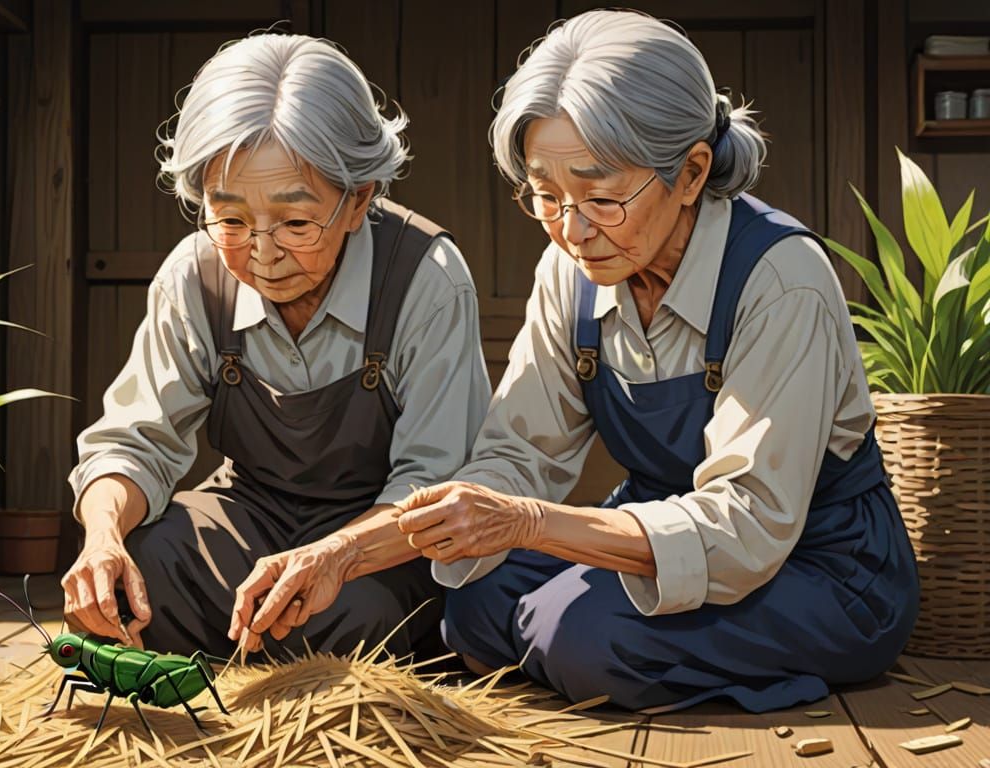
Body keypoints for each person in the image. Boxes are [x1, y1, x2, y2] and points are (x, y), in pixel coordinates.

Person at [394, 9, 919, 713]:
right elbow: (519, 456)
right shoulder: (571, 267)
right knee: (476, 602)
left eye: (601, 197)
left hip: (816, 563)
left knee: (579, 633)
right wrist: (464, 519)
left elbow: (750, 522)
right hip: (659, 525)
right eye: (545, 196)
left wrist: (529, 523)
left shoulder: (781, 276)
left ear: (691, 172)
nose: (572, 230)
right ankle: (573, 647)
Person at [62, 33, 491, 661]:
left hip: (376, 537)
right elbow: (136, 439)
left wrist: (334, 557)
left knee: (365, 621)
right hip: (244, 513)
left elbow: (433, 487)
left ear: (359, 199)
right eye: (231, 219)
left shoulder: (427, 277)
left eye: (295, 222)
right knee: (143, 575)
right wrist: (102, 537)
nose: (261, 251)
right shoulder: (196, 274)